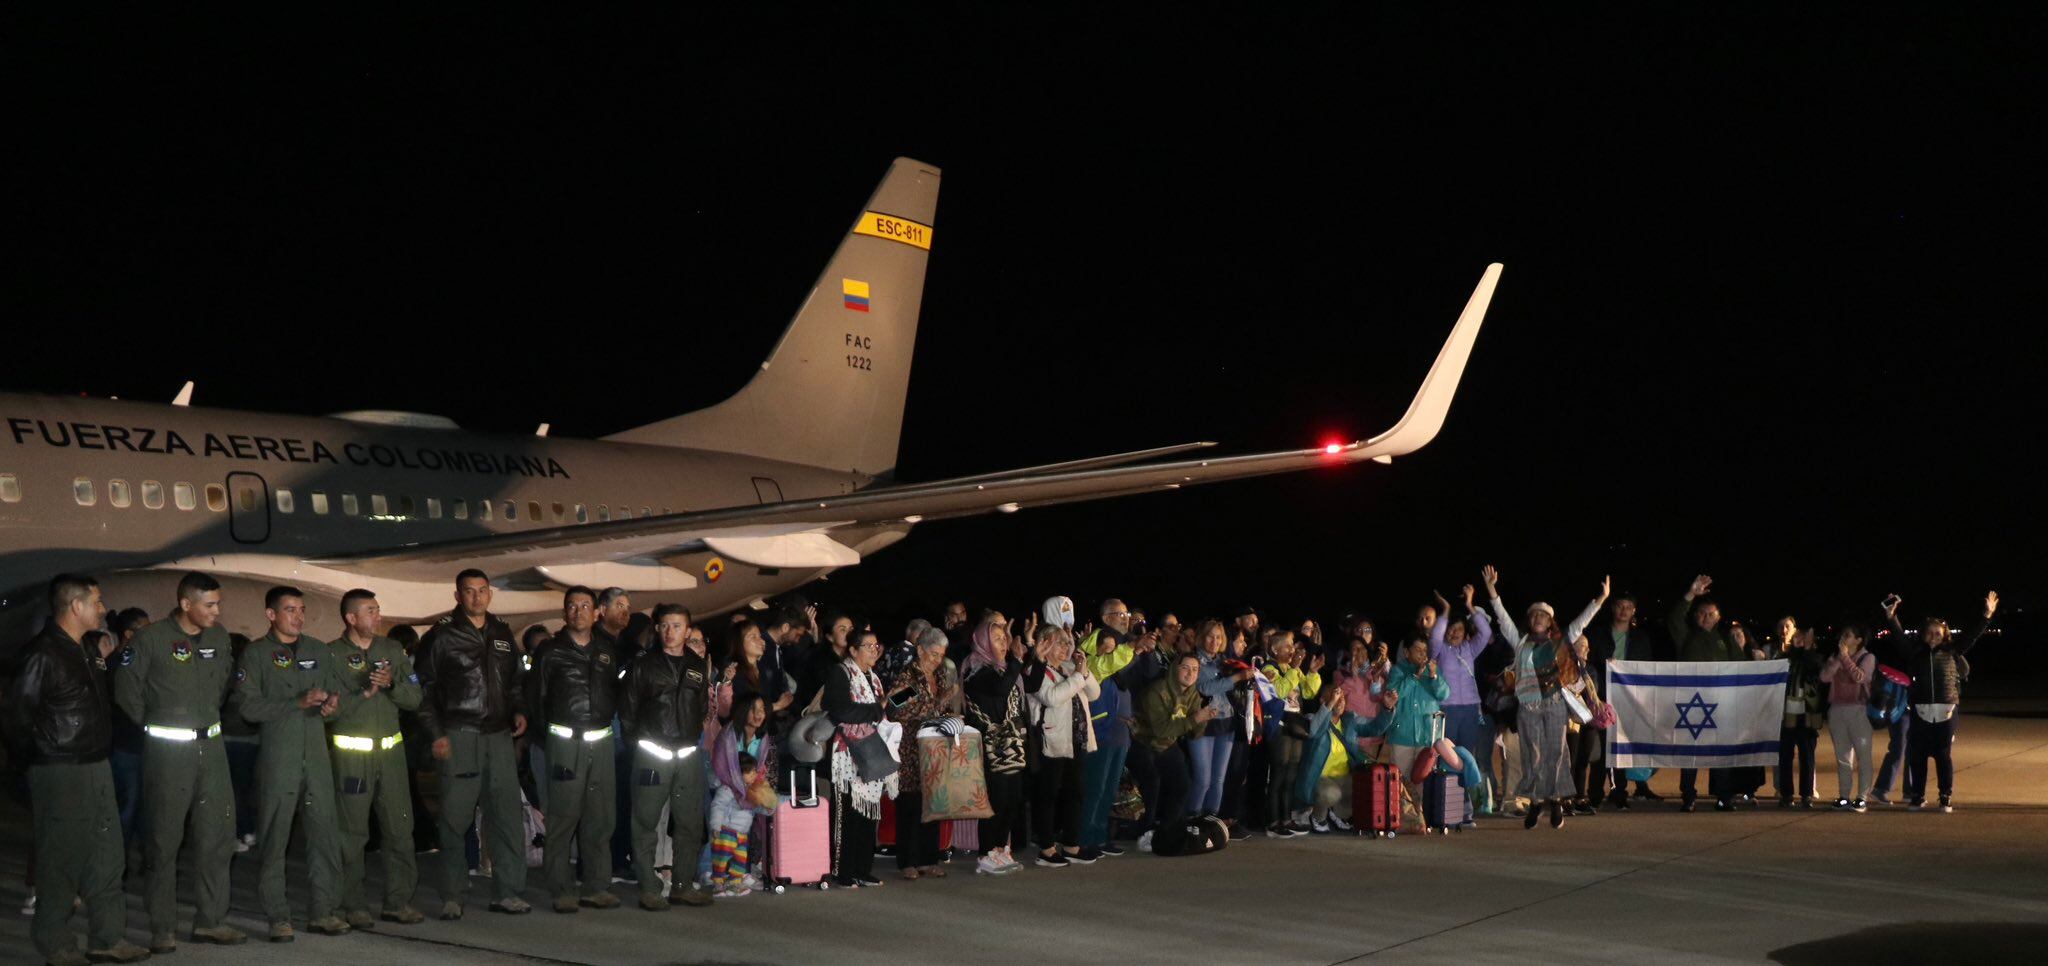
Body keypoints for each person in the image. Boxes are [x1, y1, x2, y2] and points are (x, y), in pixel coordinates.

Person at [6, 575, 152, 966]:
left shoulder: (87, 649)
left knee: (108, 855)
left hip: (96, 765)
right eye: (97, 602)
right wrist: (30, 769)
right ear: (76, 607)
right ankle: (55, 941)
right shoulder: (43, 654)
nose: (102, 609)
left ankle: (107, 938)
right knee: (61, 859)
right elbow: (18, 718)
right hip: (60, 770)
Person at [114, 571, 245, 950]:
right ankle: (162, 927)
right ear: (186, 604)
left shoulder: (219, 638)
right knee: (163, 841)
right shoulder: (149, 639)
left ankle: (211, 920)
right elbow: (127, 691)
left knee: (218, 839)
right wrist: (160, 723)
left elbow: (222, 684)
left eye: (219, 603)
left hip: (213, 751)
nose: (217, 611)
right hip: (169, 754)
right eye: (210, 604)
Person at [231, 586, 350, 941]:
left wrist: (330, 707)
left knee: (324, 834)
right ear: (271, 615)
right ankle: (277, 915)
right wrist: (294, 703)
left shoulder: (317, 650)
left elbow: (332, 698)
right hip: (278, 756)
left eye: (301, 609)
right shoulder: (256, 655)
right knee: (275, 837)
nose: (298, 616)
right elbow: (248, 708)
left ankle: (323, 910)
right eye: (290, 610)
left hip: (315, 754)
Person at [416, 569, 531, 918]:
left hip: (498, 736)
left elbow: (514, 681)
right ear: (457, 596)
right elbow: (424, 689)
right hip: (459, 734)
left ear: (490, 594)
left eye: (482, 591)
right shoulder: (442, 635)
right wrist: (436, 734)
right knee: (454, 818)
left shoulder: (501, 632)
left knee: (507, 816)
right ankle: (453, 894)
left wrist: (519, 710)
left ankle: (508, 891)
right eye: (469, 592)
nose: (477, 598)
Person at [325, 589, 427, 928]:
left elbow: (414, 698)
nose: (377, 616)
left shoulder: (391, 650)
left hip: (392, 756)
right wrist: (362, 692)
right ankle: (352, 904)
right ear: (351, 618)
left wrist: (392, 684)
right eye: (370, 611)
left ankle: (398, 901)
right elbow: (326, 713)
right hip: (352, 758)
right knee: (352, 835)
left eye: (378, 609)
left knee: (400, 829)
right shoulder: (331, 655)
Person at [1484, 566, 1607, 830]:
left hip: (1553, 705)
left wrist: (1601, 599)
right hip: (1528, 707)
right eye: (1534, 614)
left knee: (1558, 754)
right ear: (1530, 620)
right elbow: (1502, 617)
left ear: (1550, 620)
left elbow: (1581, 623)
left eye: (1544, 614)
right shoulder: (1521, 642)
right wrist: (1492, 589)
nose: (1538, 617)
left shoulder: (1559, 642)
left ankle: (1557, 802)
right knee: (1533, 755)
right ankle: (1536, 802)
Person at [526, 586, 623, 912]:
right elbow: (535, 700)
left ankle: (596, 886)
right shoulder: (550, 652)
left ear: (596, 612)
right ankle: (561, 888)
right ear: (564, 611)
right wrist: (551, 738)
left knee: (601, 818)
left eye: (585, 605)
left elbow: (616, 691)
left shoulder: (607, 650)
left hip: (602, 741)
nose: (579, 611)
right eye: (572, 606)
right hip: (565, 743)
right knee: (563, 817)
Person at [619, 603, 714, 910]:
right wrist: (640, 744)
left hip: (687, 754)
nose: (670, 631)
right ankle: (649, 886)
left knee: (689, 823)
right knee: (645, 821)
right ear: (657, 629)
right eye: (665, 625)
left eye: (677, 625)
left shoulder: (697, 666)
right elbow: (628, 710)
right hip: (652, 753)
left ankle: (683, 885)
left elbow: (701, 708)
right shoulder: (643, 665)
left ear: (688, 631)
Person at [1883, 590, 1997, 812]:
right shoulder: (1914, 653)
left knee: (1943, 755)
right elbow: (1898, 637)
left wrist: (1986, 616)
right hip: (1921, 709)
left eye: (1938, 633)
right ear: (1923, 634)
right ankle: (1917, 796)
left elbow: (1971, 636)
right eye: (1930, 633)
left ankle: (1945, 796)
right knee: (1918, 755)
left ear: (1945, 635)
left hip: (1946, 709)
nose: (1934, 636)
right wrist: (1891, 616)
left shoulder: (1953, 651)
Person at [886, 626, 959, 878]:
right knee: (910, 805)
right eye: (933, 654)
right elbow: (895, 707)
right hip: (910, 747)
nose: (937, 660)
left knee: (932, 803)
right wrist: (927, 716)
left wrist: (946, 700)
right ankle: (908, 861)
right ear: (920, 650)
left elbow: (936, 707)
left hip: (933, 748)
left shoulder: (938, 677)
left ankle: (929, 859)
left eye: (941, 655)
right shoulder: (910, 677)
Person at [1666, 575, 1744, 812]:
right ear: (1695, 615)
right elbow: (1673, 619)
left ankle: (1723, 797)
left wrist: (1740, 648)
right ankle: (1688, 796)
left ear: (1719, 617)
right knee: (1690, 754)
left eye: (1711, 614)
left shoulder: (1725, 639)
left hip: (1720, 705)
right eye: (1702, 613)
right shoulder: (1686, 636)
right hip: (1692, 703)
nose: (1706, 617)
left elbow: (1739, 670)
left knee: (1721, 754)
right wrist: (1691, 594)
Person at [825, 627, 894, 888]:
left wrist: (887, 708)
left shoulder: (873, 677)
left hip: (872, 749)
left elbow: (881, 710)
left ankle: (863, 869)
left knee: (868, 812)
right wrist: (876, 710)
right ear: (853, 650)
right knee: (847, 813)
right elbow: (841, 709)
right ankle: (843, 870)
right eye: (868, 646)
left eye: (876, 646)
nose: (874, 650)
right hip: (847, 752)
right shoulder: (841, 672)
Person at [1026, 624, 1099, 866]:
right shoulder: (1036, 671)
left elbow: (1095, 693)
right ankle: (1046, 848)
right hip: (1051, 743)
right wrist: (1078, 677)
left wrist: (1083, 671)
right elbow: (1052, 697)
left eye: (1067, 643)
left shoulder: (1069, 668)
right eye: (1060, 643)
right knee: (1048, 794)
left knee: (1074, 793)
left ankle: (1071, 845)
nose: (1065, 648)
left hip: (1076, 741)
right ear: (1044, 644)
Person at [962, 614, 1028, 875]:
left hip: (1011, 744)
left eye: (1004, 639)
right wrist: (1018, 661)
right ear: (983, 641)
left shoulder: (1003, 668)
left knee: (1013, 798)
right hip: (989, 746)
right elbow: (1000, 690)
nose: (1003, 644)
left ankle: (1001, 848)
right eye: (997, 639)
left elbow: (1021, 689)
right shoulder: (976, 670)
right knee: (995, 800)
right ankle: (986, 853)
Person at [1132, 652, 1218, 851]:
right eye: (1185, 668)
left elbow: (1194, 734)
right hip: (1142, 742)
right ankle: (1145, 832)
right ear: (1174, 669)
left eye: (1195, 669)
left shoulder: (1193, 694)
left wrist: (1204, 718)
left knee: (1183, 784)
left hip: (1165, 744)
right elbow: (1159, 729)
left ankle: (1168, 830)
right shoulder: (1157, 690)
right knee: (1152, 781)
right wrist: (1195, 719)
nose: (1190, 673)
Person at [1079, 599, 1144, 856]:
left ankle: (1100, 835)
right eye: (1120, 613)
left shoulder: (1125, 642)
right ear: (1105, 618)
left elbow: (1129, 679)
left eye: (1128, 613)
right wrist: (1132, 649)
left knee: (1109, 787)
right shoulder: (1098, 639)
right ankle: (1085, 838)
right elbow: (1101, 669)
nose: (1126, 618)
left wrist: (1135, 649)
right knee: (1095, 785)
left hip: (1121, 725)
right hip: (1100, 722)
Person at [1585, 593, 1659, 807]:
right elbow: (1588, 663)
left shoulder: (1641, 638)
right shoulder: (1598, 634)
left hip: (1629, 700)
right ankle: (1595, 795)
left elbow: (1647, 669)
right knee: (1599, 751)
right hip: (1602, 699)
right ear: (1612, 608)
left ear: (1634, 611)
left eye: (1629, 606)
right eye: (1620, 606)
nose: (1624, 610)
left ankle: (1619, 794)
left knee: (1622, 749)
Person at [1428, 585, 1494, 822]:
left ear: (1466, 633)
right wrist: (1445, 611)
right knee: (1448, 758)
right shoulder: (1440, 650)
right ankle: (1448, 808)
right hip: (1447, 709)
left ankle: (1464, 810)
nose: (1454, 633)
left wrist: (1470, 605)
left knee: (1466, 757)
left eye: (1459, 629)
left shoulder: (1469, 649)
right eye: (1451, 630)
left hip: (1469, 711)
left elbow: (1485, 633)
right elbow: (1435, 637)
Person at [1380, 635, 1450, 828]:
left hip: (1427, 736)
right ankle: (1402, 819)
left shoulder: (1433, 670)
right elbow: (1394, 695)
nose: (1422, 654)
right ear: (1406, 652)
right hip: (1402, 736)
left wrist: (1434, 676)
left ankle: (1420, 819)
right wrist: (1414, 677)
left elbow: (1444, 694)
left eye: (1424, 650)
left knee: (1422, 779)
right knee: (1400, 779)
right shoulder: (1397, 670)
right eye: (1417, 649)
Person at [1188, 620, 1252, 819]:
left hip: (1227, 722)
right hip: (1202, 722)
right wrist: (1237, 678)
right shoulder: (1193, 660)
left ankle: (1211, 819)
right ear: (1201, 637)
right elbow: (1205, 688)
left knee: (1218, 779)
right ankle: (1191, 818)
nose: (1214, 641)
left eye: (1218, 637)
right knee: (1202, 778)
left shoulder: (1224, 662)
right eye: (1210, 636)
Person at [1261, 628, 1322, 836]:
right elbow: (1278, 690)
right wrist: (1293, 669)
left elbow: (1308, 691)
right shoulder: (1270, 667)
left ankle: (1287, 819)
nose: (1291, 649)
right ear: (1275, 648)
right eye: (1287, 645)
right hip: (1279, 726)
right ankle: (1273, 822)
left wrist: (1312, 673)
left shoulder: (1291, 667)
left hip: (1295, 726)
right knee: (1279, 772)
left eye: (1291, 645)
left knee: (1291, 775)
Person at [104, 608, 149, 866]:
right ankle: (115, 864)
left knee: (141, 807)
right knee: (127, 808)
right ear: (129, 633)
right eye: (145, 628)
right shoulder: (118, 664)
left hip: (138, 745)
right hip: (125, 746)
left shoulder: (132, 660)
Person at [1821, 624, 1877, 811]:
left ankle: (1862, 797)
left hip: (1858, 710)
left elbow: (1860, 677)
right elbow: (1824, 677)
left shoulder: (1867, 657)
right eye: (1842, 634)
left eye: (1848, 635)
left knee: (1863, 755)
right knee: (1842, 756)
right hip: (1837, 709)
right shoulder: (1836, 656)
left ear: (1859, 639)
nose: (1843, 638)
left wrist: (1845, 658)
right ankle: (1844, 795)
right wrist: (1839, 658)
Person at [707, 749, 777, 897]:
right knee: (721, 858)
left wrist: (768, 810)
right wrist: (715, 825)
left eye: (755, 771)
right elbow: (717, 806)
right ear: (738, 772)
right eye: (750, 772)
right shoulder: (728, 789)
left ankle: (734, 882)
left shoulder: (750, 791)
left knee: (740, 860)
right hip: (726, 830)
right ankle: (717, 883)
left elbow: (757, 807)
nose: (755, 775)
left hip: (742, 833)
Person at [1772, 618, 1824, 809]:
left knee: (1807, 756)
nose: (1799, 641)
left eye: (1803, 639)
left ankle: (1807, 794)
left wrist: (1808, 649)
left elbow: (1815, 669)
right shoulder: (1785, 659)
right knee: (1785, 756)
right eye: (1797, 639)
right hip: (1787, 715)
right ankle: (1786, 794)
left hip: (1807, 715)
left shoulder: (1815, 657)